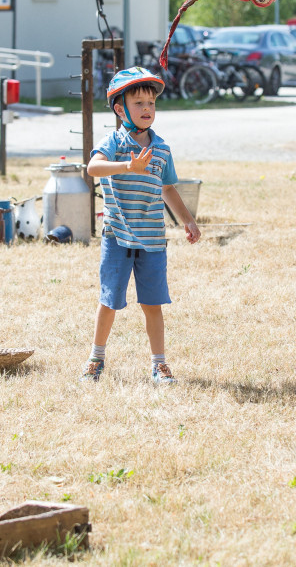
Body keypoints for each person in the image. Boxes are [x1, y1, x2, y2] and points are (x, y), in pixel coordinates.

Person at [80, 67, 201, 384]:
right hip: (117, 237)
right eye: (139, 103)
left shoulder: (161, 148)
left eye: (151, 103)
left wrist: (188, 220)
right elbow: (93, 167)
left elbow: (168, 188)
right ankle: (96, 359)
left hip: (152, 240)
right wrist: (126, 165)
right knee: (109, 302)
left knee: (152, 304)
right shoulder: (114, 143)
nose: (147, 108)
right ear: (120, 109)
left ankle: (159, 365)